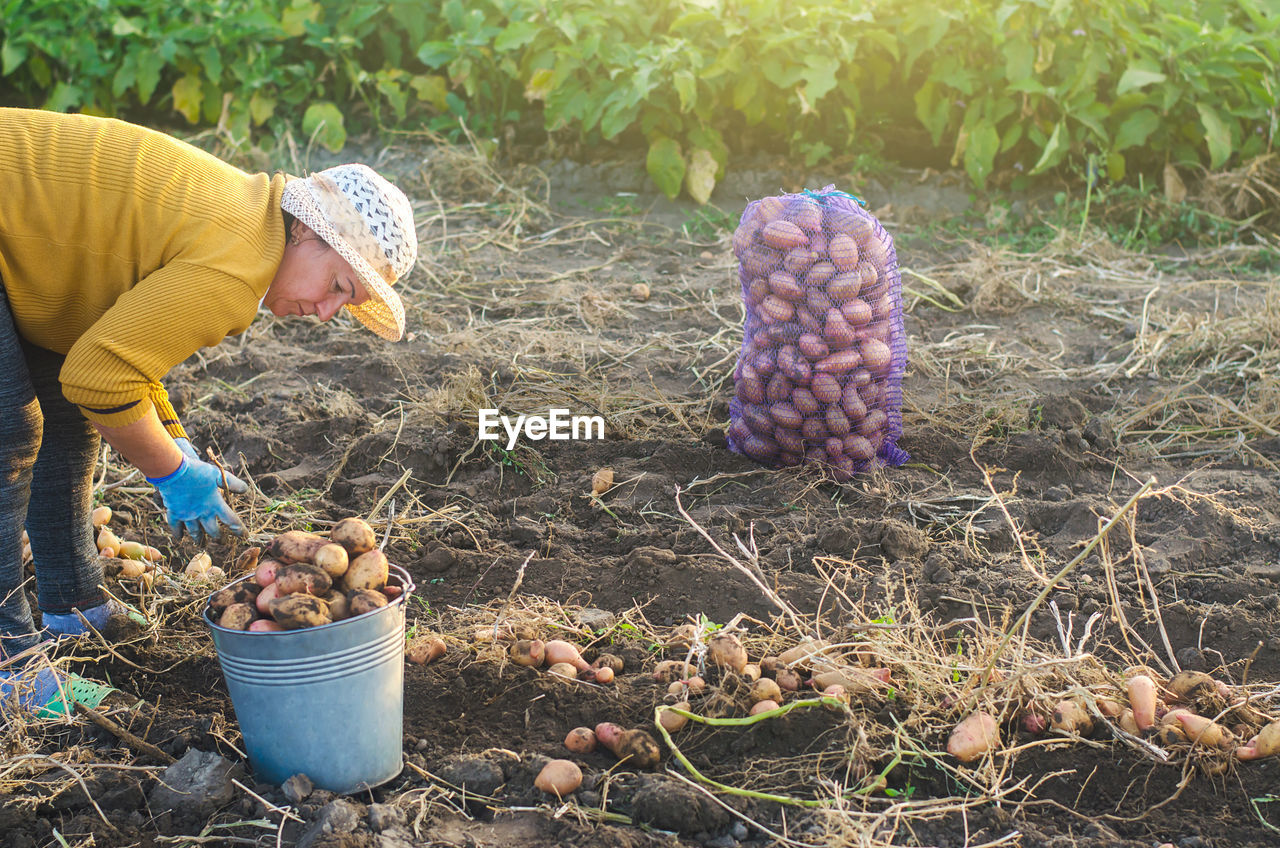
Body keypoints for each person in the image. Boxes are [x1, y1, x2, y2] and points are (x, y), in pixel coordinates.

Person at [0, 107, 418, 713]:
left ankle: (75, 609)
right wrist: (170, 472)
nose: (326, 314)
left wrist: (172, 435)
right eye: (336, 287)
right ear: (306, 231)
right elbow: (101, 380)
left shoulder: (243, 222)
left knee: (62, 421)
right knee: (9, 433)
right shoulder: (234, 268)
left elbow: (115, 350)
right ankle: (9, 670)